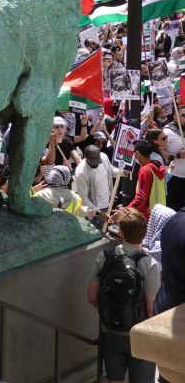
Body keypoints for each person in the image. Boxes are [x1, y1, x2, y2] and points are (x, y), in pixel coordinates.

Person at [87, 208, 159, 383]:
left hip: (110, 331)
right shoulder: (149, 264)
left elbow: (92, 296)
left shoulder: (104, 257)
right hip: (140, 335)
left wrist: (111, 312)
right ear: (144, 234)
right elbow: (151, 308)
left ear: (121, 232)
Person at [73, 145, 113, 225]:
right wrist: (98, 212)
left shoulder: (104, 157)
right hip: (95, 208)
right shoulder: (81, 172)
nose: (96, 165)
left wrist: (123, 172)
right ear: (86, 158)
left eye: (97, 161)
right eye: (93, 163)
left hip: (108, 202)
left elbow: (111, 171)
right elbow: (83, 197)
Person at [126, 140, 166, 219]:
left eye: (134, 151)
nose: (133, 154)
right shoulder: (156, 165)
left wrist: (125, 211)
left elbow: (141, 198)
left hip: (147, 215)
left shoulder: (145, 170)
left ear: (137, 152)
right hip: (158, 213)